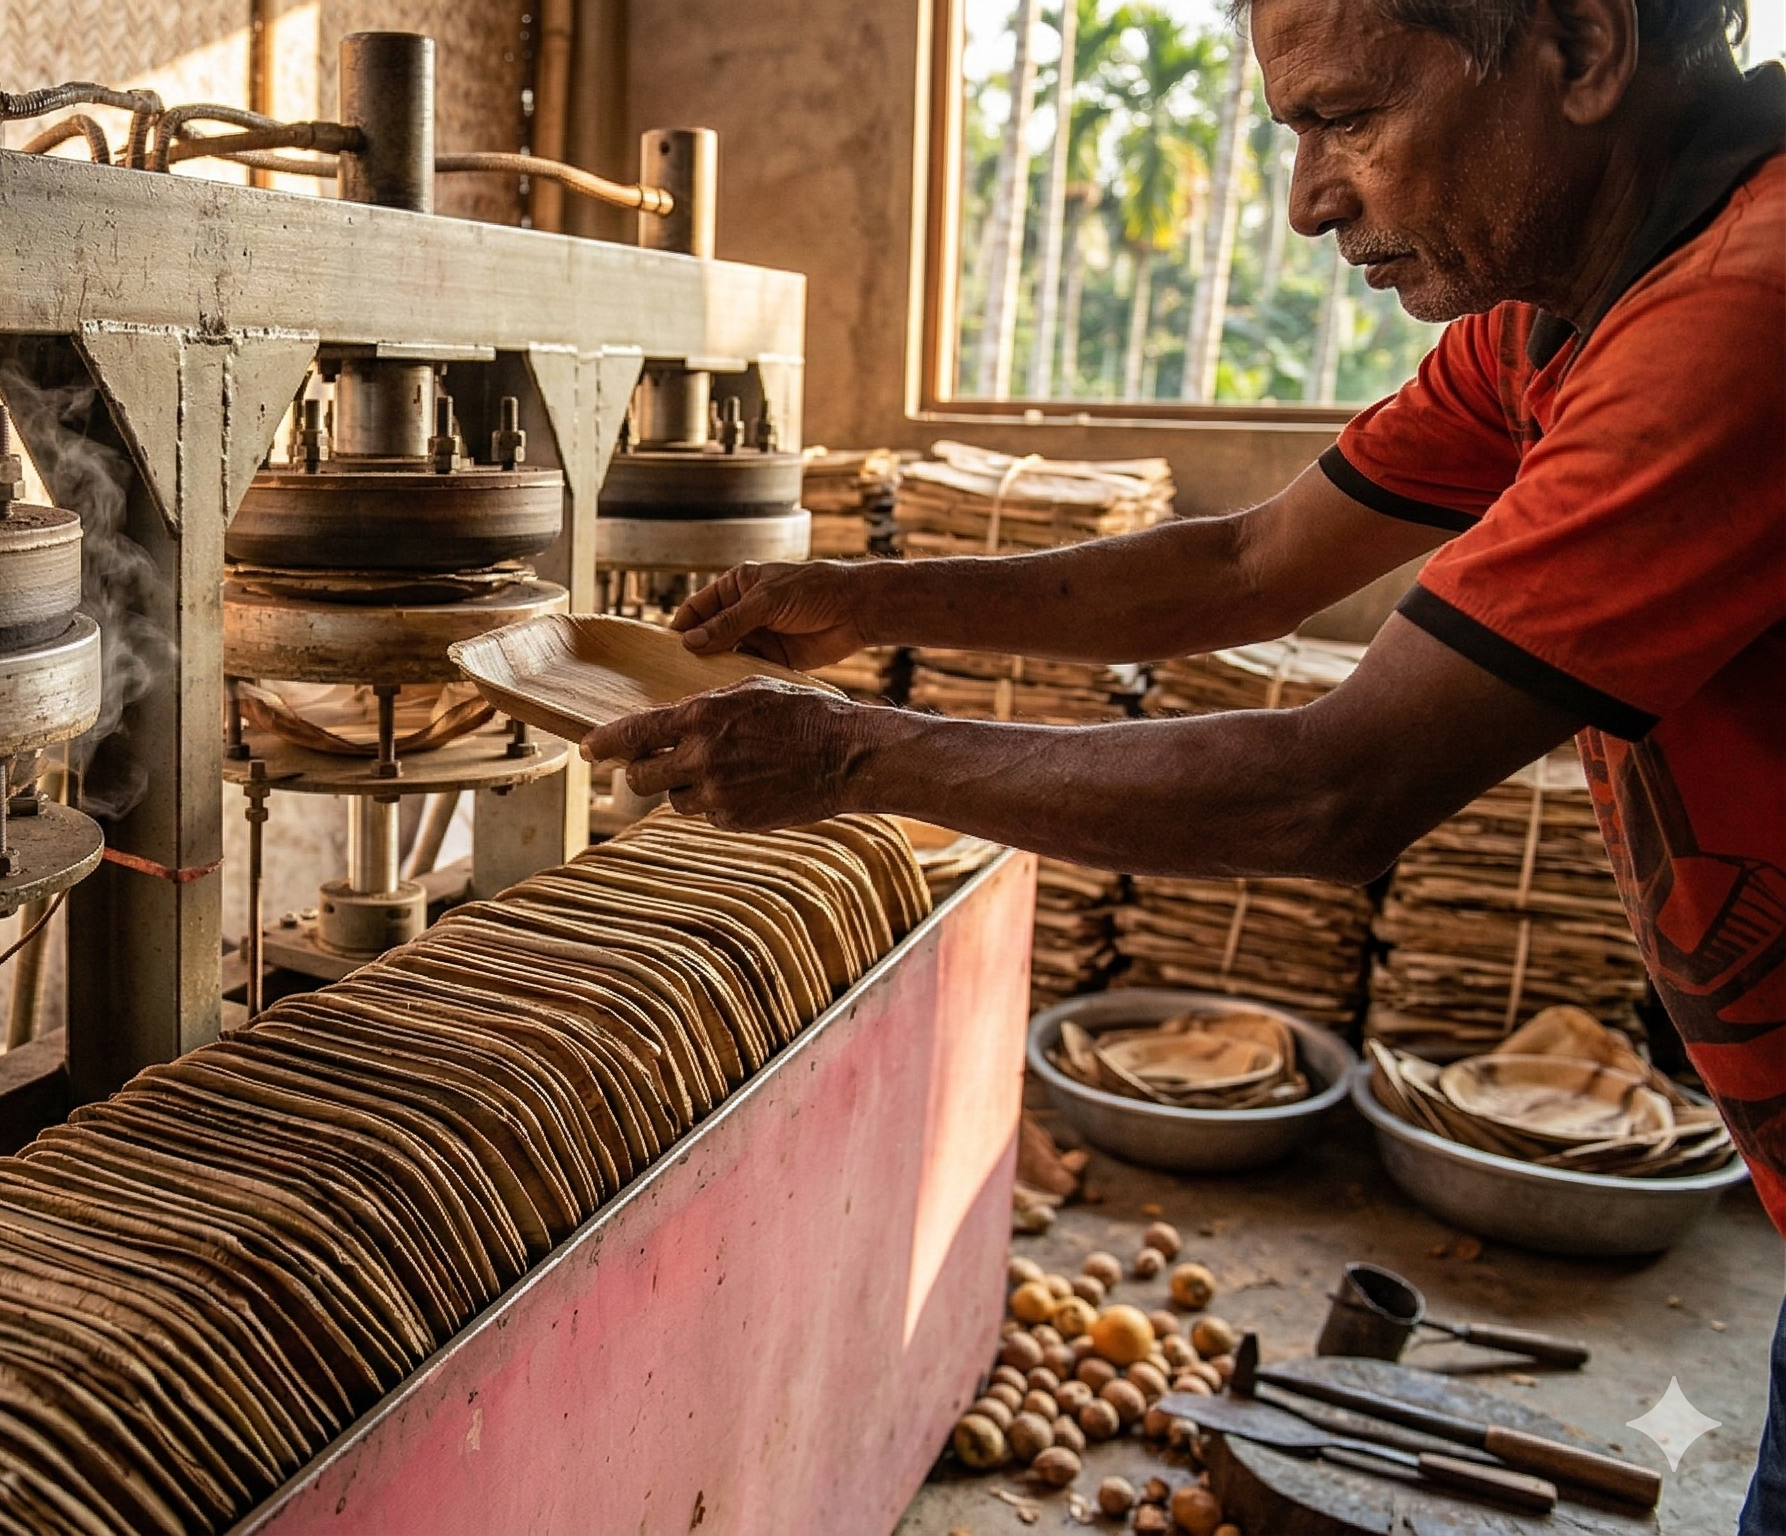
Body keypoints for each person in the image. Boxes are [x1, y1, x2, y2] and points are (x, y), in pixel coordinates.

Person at [584, 0, 1783, 1517]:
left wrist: (845, 756)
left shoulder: (1737, 316)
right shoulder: (1553, 319)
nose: (1306, 200)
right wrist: (857, 601)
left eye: (1344, 119)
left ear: (1582, 52)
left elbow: (1332, 787)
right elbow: (1244, 564)